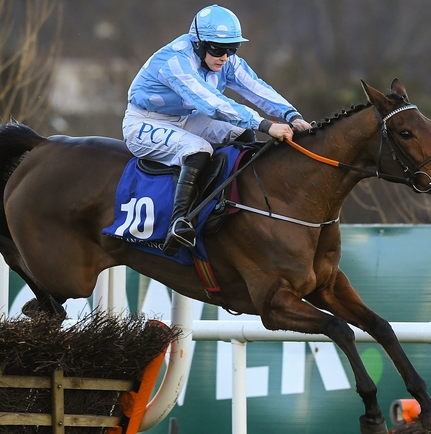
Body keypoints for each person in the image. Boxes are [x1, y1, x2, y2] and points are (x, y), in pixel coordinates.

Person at [122, 4, 312, 256]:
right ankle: (180, 223)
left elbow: (256, 88)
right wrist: (266, 125)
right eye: (218, 49)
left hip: (187, 118)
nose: (225, 56)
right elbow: (212, 104)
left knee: (241, 134)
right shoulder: (175, 62)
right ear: (198, 44)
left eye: (232, 49)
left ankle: (234, 202)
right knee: (199, 149)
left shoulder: (226, 61)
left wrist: (292, 115)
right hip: (145, 122)